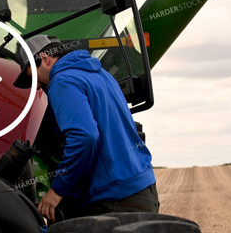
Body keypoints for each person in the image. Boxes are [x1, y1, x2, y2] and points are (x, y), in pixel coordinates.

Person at [13, 35, 158, 222]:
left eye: (32, 77)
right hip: (143, 189)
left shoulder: (62, 81)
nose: (38, 86)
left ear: (45, 58)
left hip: (115, 201)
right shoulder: (101, 74)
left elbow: (85, 136)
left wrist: (58, 190)